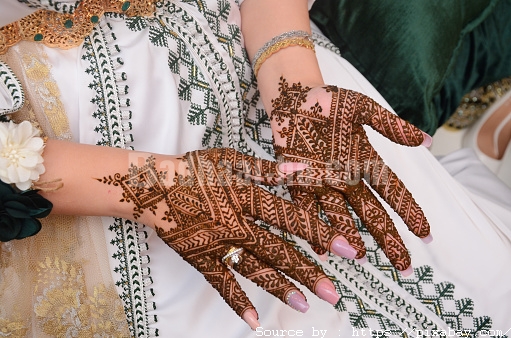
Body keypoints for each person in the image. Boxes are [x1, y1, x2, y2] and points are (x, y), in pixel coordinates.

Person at [1, 1, 510, 337]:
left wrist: (294, 88)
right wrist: (157, 187)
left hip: (264, 79)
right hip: (92, 198)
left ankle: (469, 165)